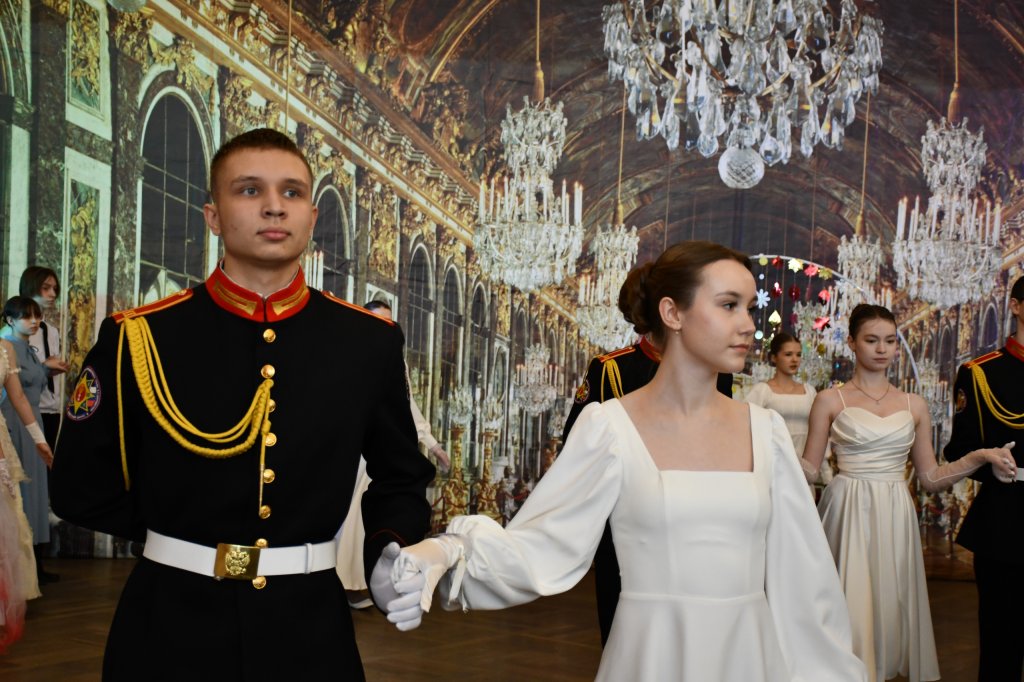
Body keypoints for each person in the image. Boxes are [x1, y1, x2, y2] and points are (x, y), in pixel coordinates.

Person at [383, 241, 868, 681]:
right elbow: (543, 545)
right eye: (728, 305)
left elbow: (804, 578)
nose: (749, 325)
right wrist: (447, 551)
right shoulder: (609, 428)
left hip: (749, 654)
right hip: (651, 654)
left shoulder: (767, 432)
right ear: (672, 313)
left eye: (749, 307)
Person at [50, 128, 435, 681]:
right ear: (213, 215)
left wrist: (386, 548)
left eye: (292, 192)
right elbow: (79, 487)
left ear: (311, 217)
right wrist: (177, 535)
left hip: (310, 632)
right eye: (250, 190)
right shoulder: (138, 337)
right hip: (169, 627)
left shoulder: (367, 342)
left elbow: (401, 476)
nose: (275, 206)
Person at [799, 303, 1015, 682]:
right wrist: (764, 451)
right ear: (852, 343)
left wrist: (980, 456)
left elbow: (930, 477)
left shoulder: (914, 404)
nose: (882, 349)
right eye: (871, 340)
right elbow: (810, 469)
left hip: (895, 511)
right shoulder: (830, 400)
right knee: (846, 603)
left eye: (890, 341)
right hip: (846, 508)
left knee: (888, 602)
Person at [562, 319, 733, 646]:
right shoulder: (611, 368)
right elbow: (576, 447)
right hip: (626, 519)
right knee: (621, 628)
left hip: (692, 516)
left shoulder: (716, 371)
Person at [336, 298, 450, 609]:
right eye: (377, 320)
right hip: (352, 450)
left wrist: (433, 444)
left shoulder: (391, 360)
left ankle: (359, 582)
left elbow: (406, 408)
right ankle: (343, 581)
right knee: (347, 516)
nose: (383, 326)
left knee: (364, 519)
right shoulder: (347, 355)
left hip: (378, 452)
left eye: (388, 321)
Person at [944, 274, 1024, 682]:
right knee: (1000, 645)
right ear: (1016, 306)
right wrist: (988, 462)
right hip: (1005, 520)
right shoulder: (980, 373)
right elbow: (957, 450)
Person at [0, 332, 52, 650]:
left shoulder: (5, 349)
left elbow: (18, 396)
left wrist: (38, 439)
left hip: (0, 444)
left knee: (5, 527)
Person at [0, 297, 57, 591]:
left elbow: (23, 394)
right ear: (10, 320)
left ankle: (30, 565)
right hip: (13, 421)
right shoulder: (9, 345)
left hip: (28, 420)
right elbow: (15, 396)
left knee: (28, 493)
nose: (34, 321)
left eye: (37, 316)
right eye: (27, 316)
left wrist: (38, 438)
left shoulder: (17, 349)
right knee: (18, 492)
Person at [19, 266, 69, 583]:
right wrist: (43, 366)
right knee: (26, 486)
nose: (51, 295)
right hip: (27, 413)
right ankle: (25, 566)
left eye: (54, 289)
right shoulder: (16, 330)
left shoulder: (50, 330)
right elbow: (14, 371)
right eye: (45, 288)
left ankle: (38, 562)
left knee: (43, 487)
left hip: (50, 411)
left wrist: (55, 367)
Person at [744, 331, 829, 490]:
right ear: (774, 357)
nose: (795, 359)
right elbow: (746, 430)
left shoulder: (809, 392)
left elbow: (820, 433)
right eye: (788, 354)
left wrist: (825, 473)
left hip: (804, 472)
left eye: (798, 354)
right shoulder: (762, 391)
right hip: (772, 471)